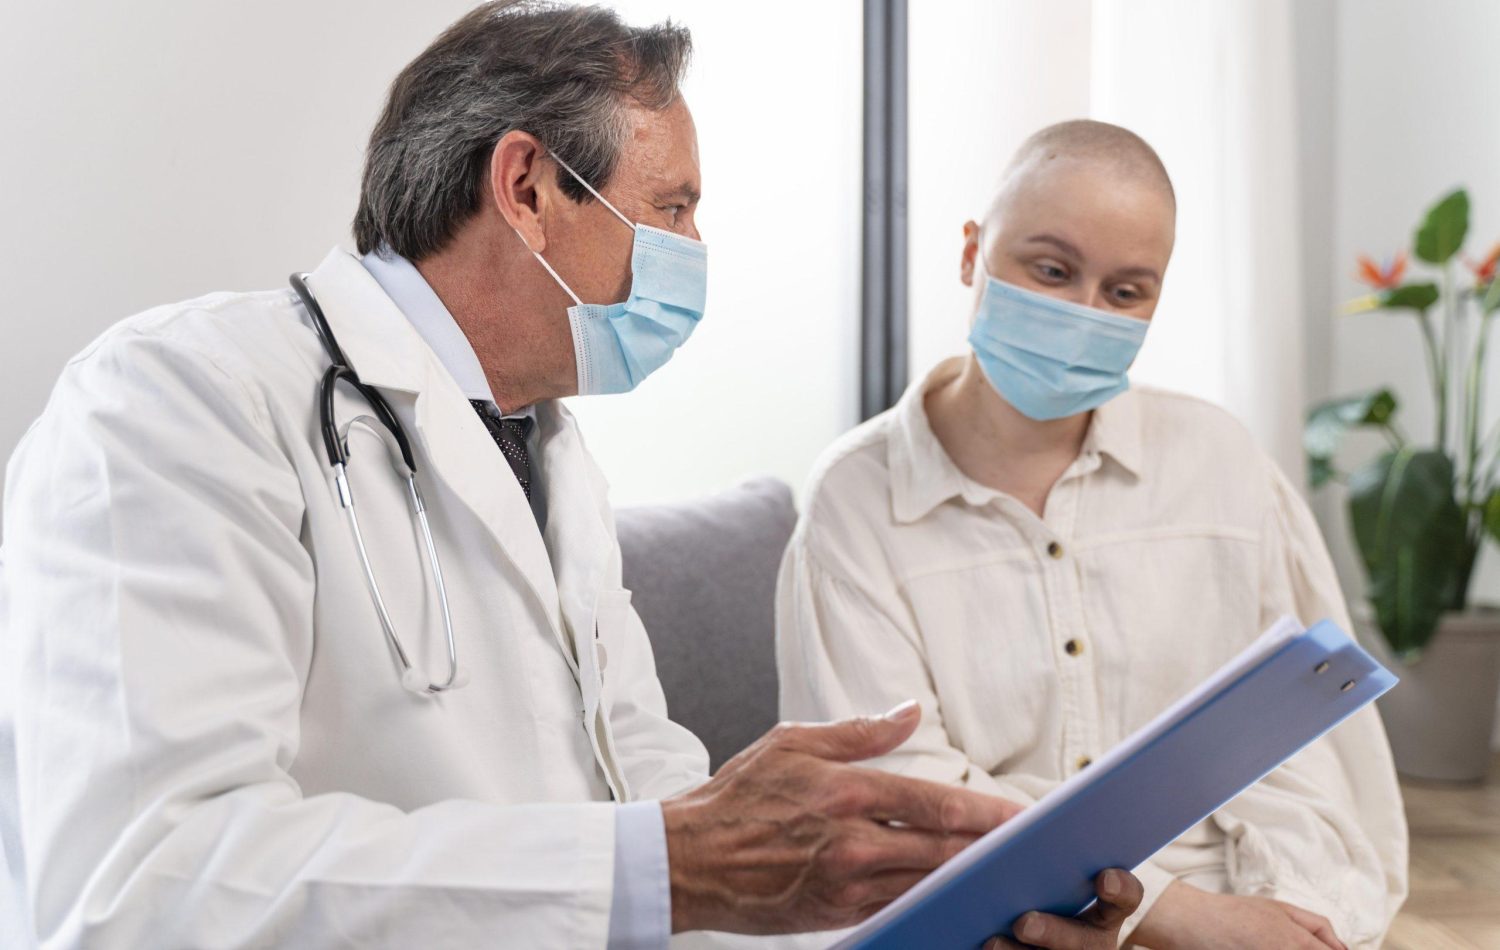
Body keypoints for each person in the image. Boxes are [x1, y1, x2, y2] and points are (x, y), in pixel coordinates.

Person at [0, 4, 1143, 948]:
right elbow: (141, 891)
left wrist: (899, 911)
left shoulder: (549, 453)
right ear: (530, 188)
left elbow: (649, 792)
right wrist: (668, 864)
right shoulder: (178, 400)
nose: (697, 253)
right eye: (674, 209)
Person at [777, 120, 1409, 950]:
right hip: (978, 921)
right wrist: (1167, 915)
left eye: (1125, 292)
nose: (1084, 314)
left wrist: (1272, 919)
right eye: (1051, 269)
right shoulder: (854, 501)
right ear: (972, 254)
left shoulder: (1221, 462)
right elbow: (899, 798)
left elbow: (1313, 758)